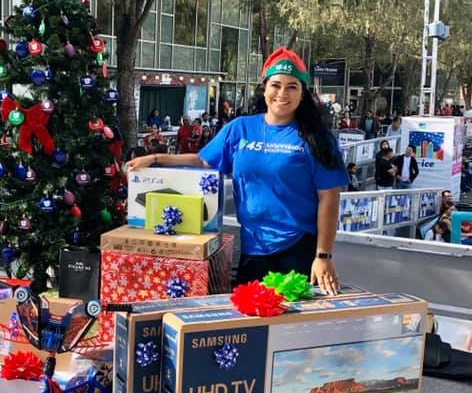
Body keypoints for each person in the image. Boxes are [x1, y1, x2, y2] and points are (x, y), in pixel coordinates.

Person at [126, 47, 348, 295]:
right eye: (276, 85)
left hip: (298, 250)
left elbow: (329, 197)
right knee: (250, 322)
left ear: (302, 93)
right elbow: (203, 162)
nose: (282, 93)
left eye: (292, 86)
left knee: (289, 327)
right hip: (253, 247)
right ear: (264, 88)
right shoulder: (240, 128)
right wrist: (156, 158)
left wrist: (323, 255)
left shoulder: (317, 138)